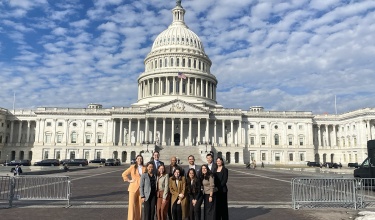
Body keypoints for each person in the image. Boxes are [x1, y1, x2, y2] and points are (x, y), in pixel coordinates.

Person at [122, 155, 146, 220]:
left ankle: (138, 218)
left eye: (141, 159)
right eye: (138, 159)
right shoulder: (132, 167)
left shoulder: (144, 168)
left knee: (139, 206)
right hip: (133, 188)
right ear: (136, 160)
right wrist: (129, 180)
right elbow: (124, 174)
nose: (139, 160)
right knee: (132, 205)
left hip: (141, 189)